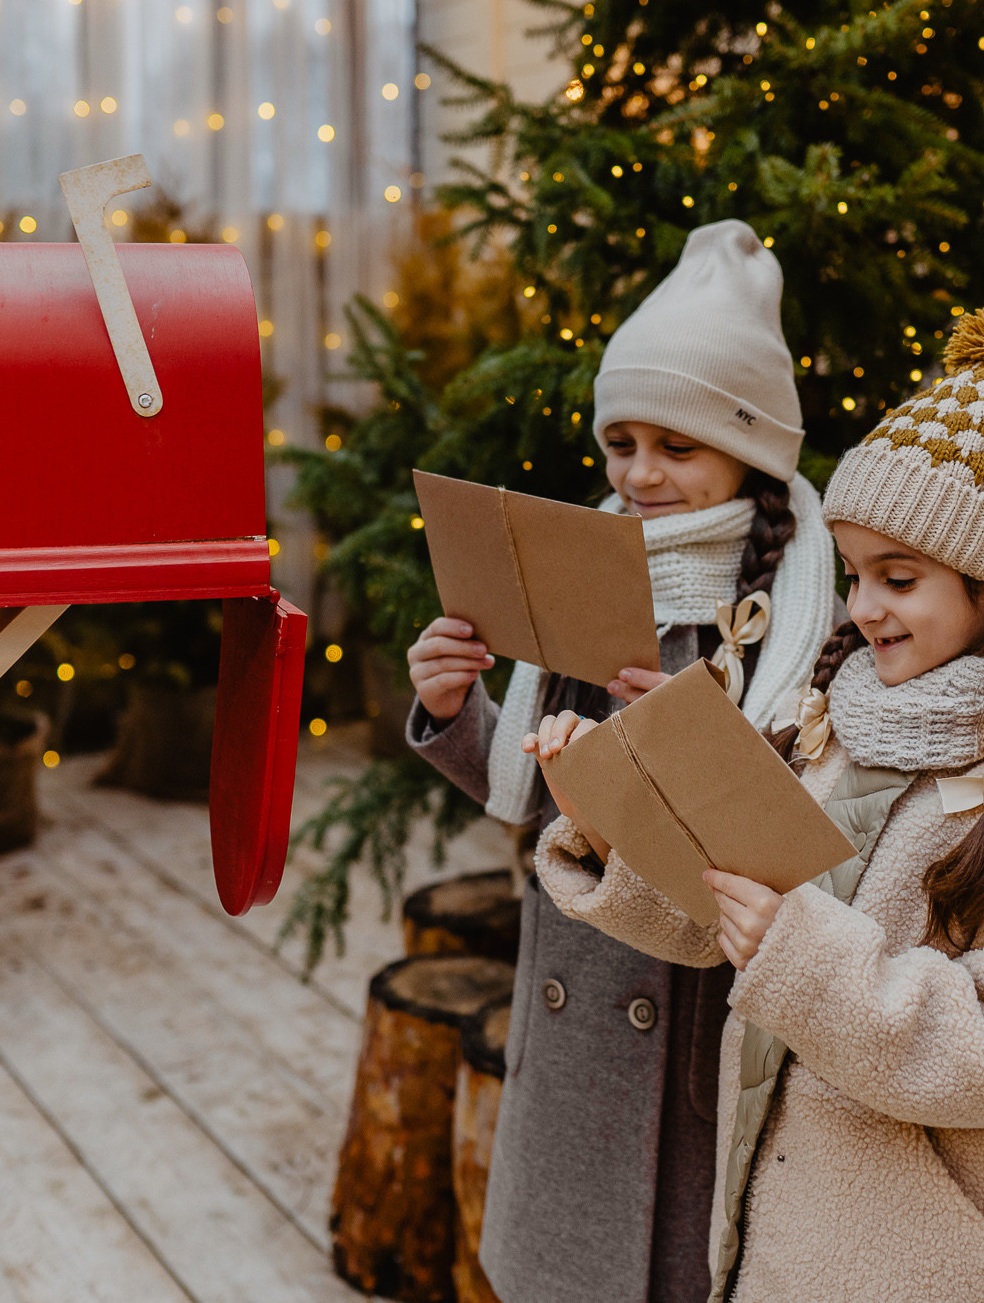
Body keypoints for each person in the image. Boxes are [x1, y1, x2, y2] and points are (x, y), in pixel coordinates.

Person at [526, 294, 984, 1302]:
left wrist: (796, 951)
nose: (861, 606)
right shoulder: (841, 727)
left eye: (897, 579)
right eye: (858, 573)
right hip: (789, 1241)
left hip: (944, 1270)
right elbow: (728, 903)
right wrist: (607, 824)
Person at [403, 220, 839, 1303]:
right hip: (572, 999)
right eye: (621, 442)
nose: (639, 474)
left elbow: (796, 844)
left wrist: (684, 748)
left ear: (750, 448)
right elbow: (536, 792)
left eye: (675, 447)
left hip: (692, 1021)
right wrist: (454, 705)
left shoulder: (797, 609)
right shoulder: (588, 564)